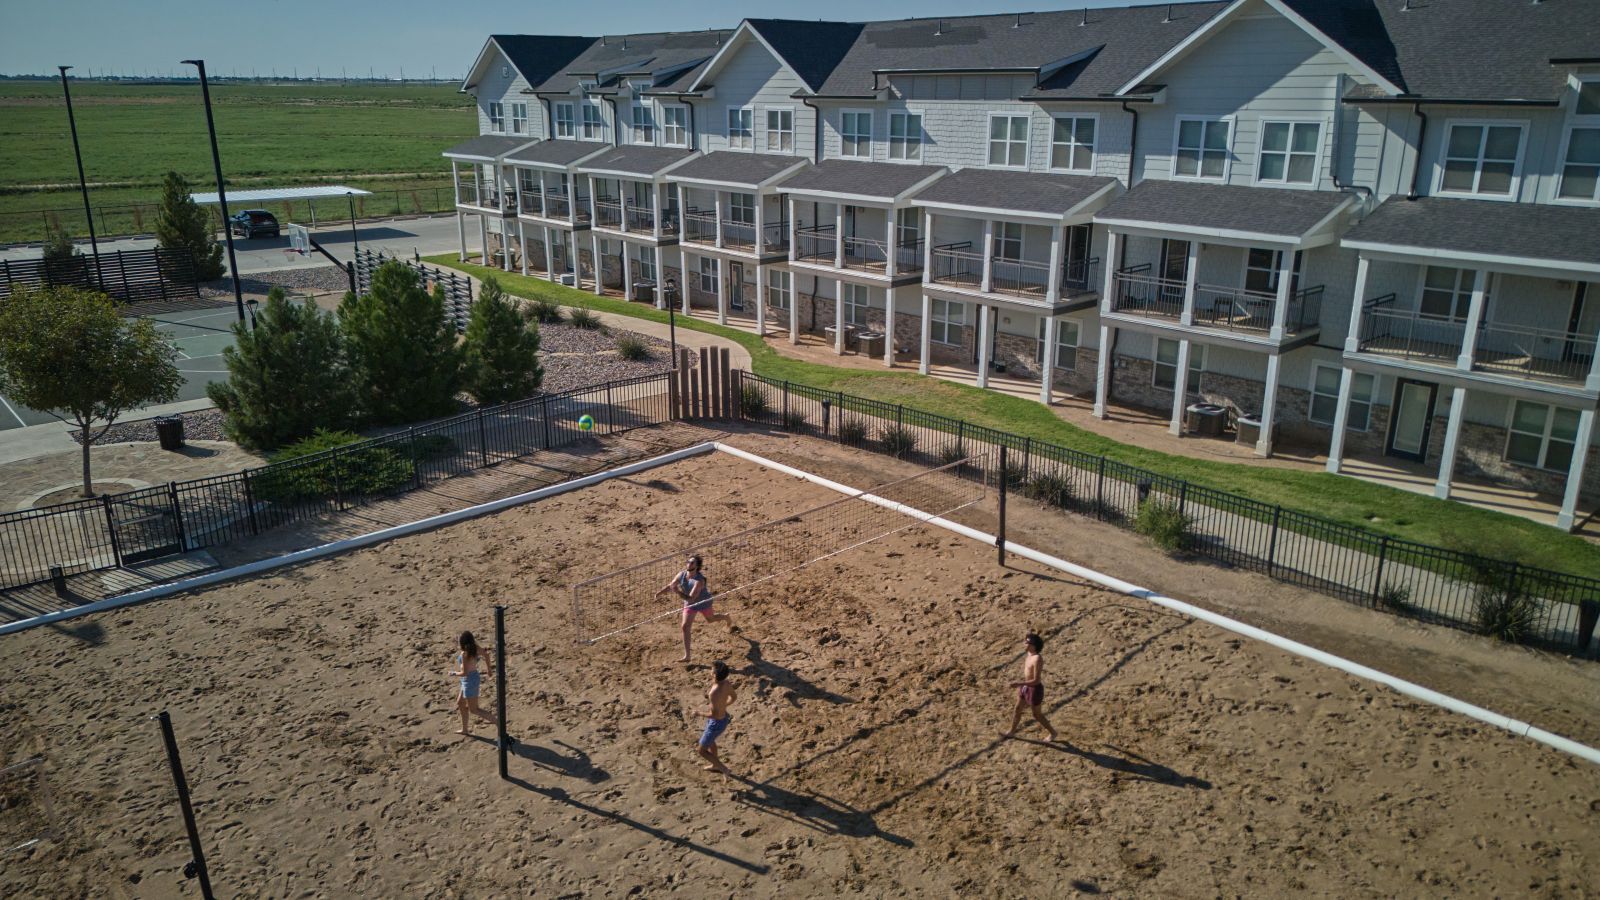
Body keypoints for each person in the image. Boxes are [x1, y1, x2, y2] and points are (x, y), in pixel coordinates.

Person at [655, 555, 731, 663]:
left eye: (692, 563)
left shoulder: (699, 581)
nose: (689, 564)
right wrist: (660, 593)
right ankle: (687, 656)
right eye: (688, 562)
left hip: (703, 602)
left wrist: (677, 591)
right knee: (685, 626)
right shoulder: (681, 574)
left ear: (697, 566)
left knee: (711, 619)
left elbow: (691, 598)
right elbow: (671, 585)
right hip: (690, 604)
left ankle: (726, 617)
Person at [1003, 632, 1059, 742]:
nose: (1025, 644)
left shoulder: (1037, 659)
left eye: (1027, 643)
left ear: (1034, 646)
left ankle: (1053, 733)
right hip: (1025, 686)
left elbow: (1036, 680)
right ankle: (1012, 731)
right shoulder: (1029, 654)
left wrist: (1019, 683)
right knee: (1018, 709)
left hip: (1034, 689)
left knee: (1037, 715)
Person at [451, 630, 495, 736]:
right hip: (471, 678)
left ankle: (498, 723)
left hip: (469, 681)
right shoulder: (475, 647)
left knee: (474, 710)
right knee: (461, 703)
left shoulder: (464, 654)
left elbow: (464, 673)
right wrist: (489, 669)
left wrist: (453, 673)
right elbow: (487, 655)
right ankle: (465, 729)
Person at [696, 660, 737, 774]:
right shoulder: (727, 683)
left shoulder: (713, 693)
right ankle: (715, 765)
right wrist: (724, 705)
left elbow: (714, 715)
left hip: (716, 723)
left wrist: (699, 713)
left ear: (714, 674)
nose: (710, 671)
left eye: (712, 670)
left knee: (701, 751)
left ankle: (723, 768)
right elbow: (734, 697)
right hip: (722, 719)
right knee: (711, 741)